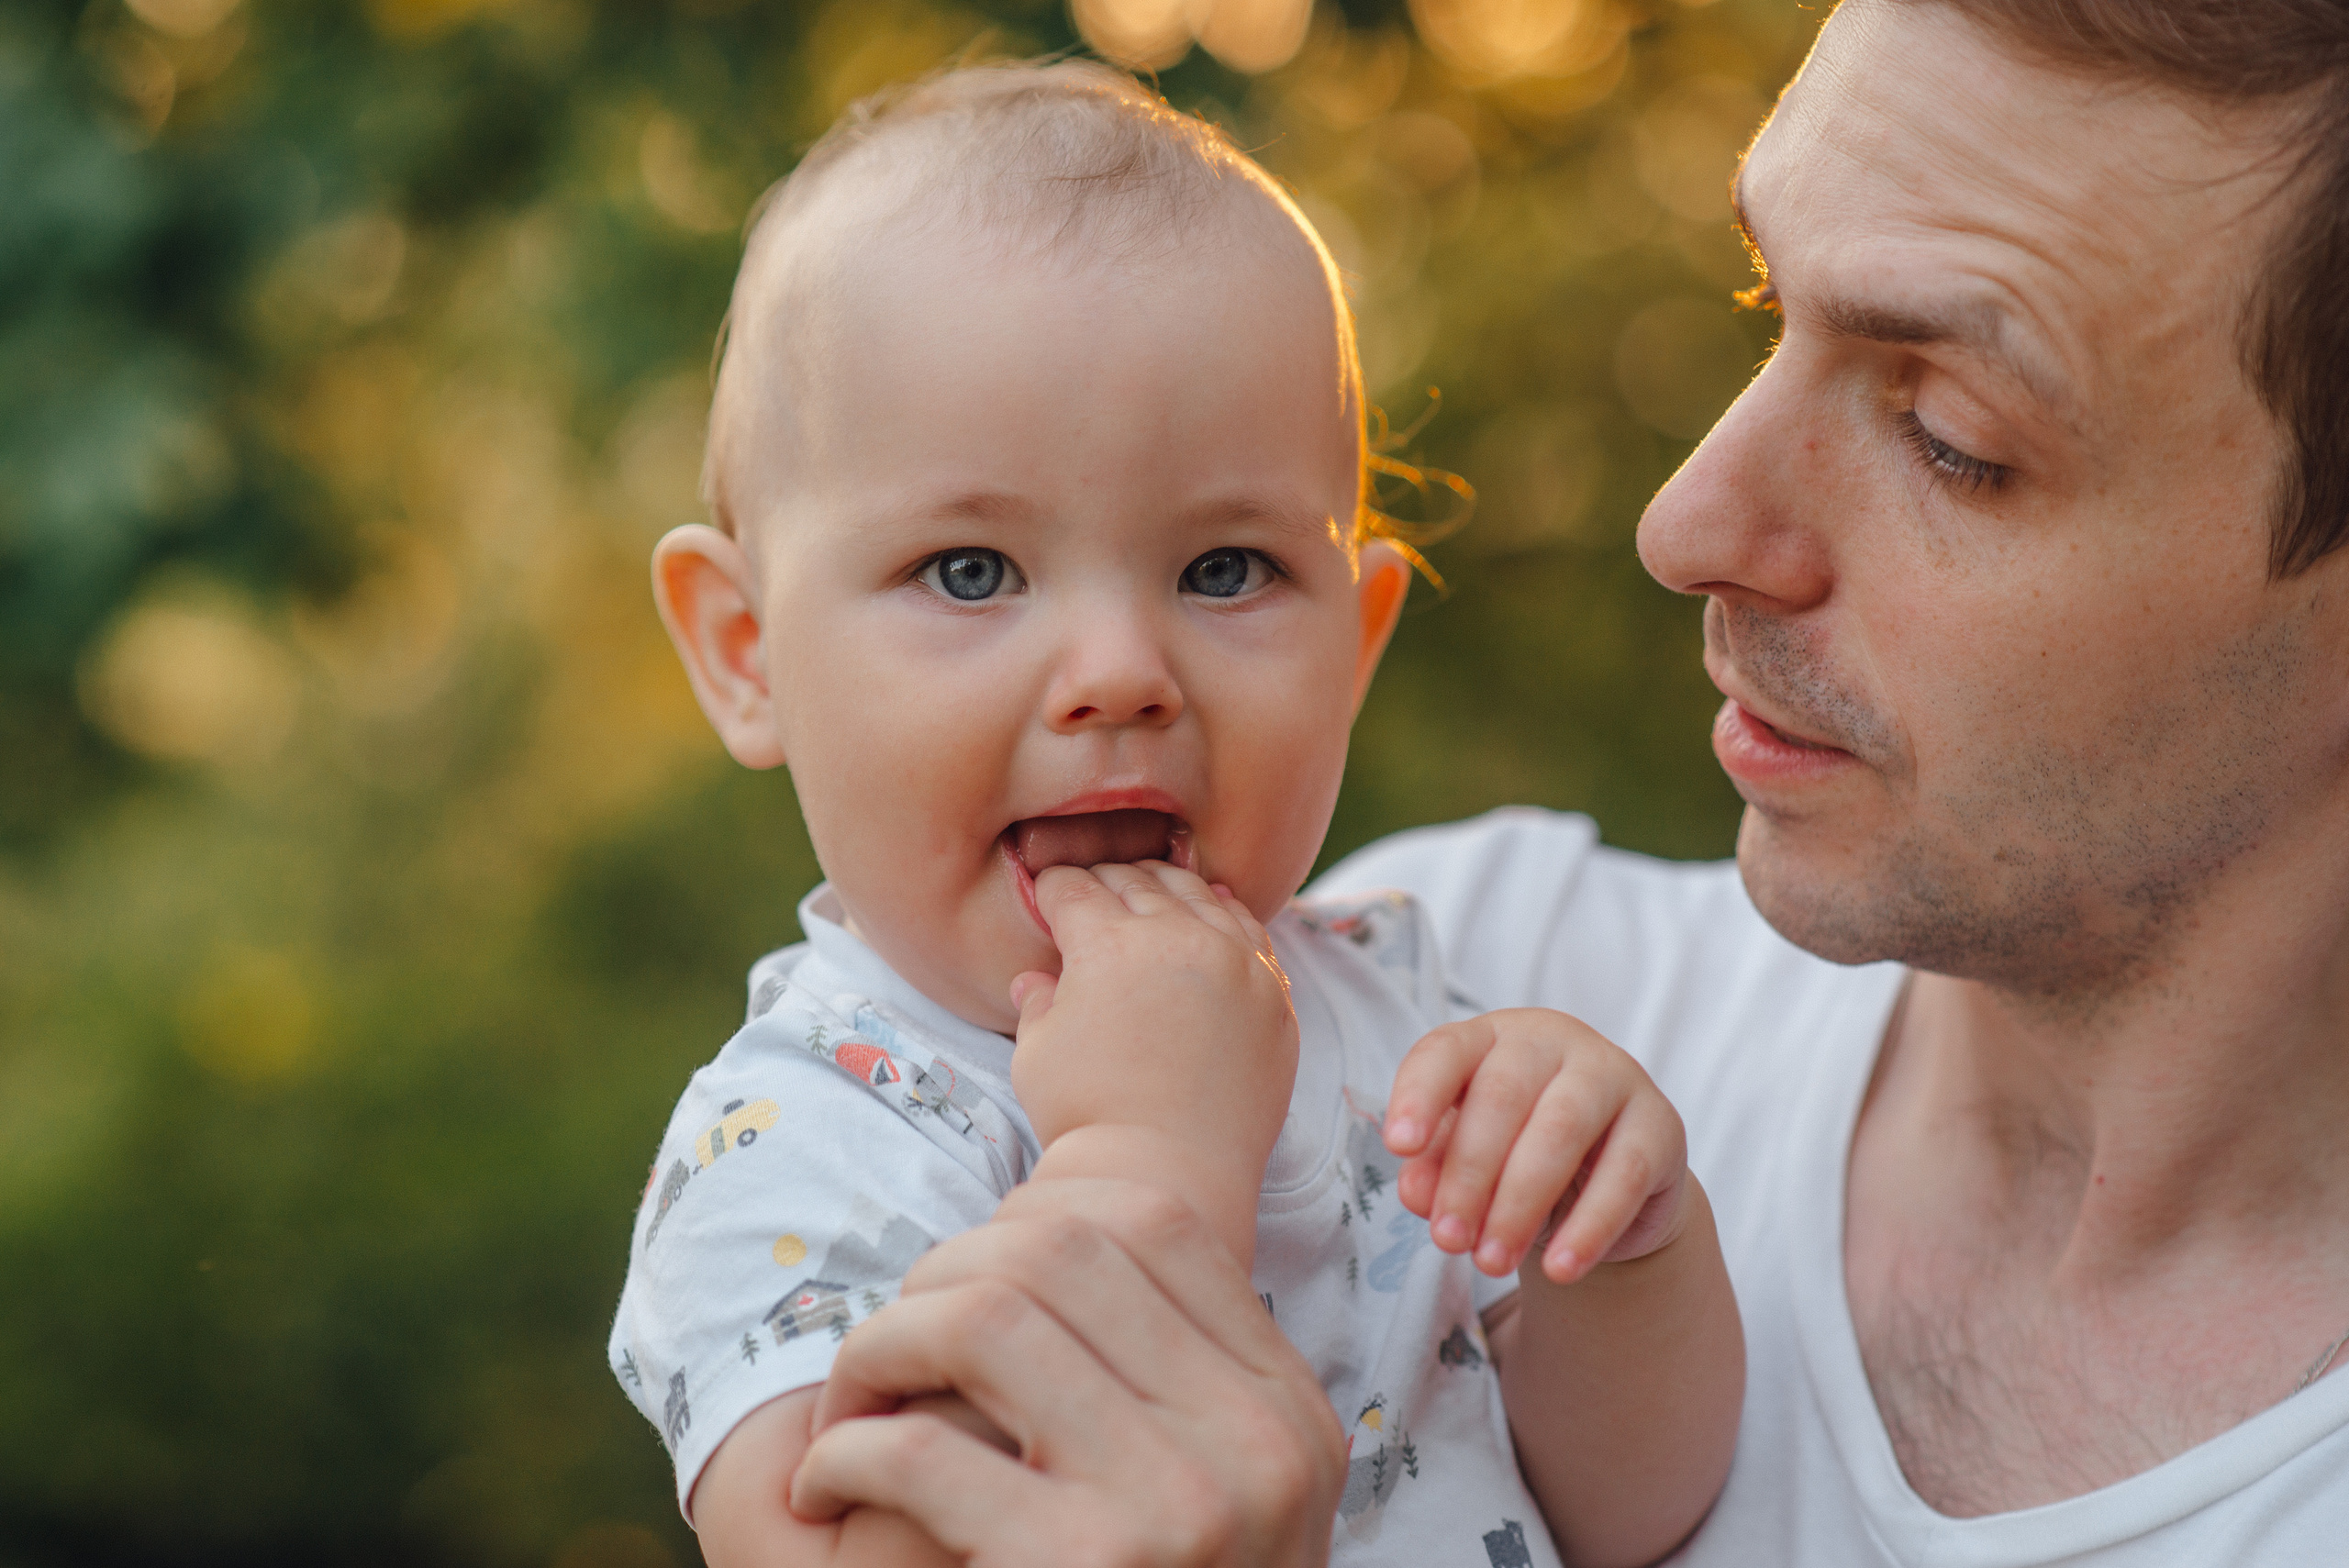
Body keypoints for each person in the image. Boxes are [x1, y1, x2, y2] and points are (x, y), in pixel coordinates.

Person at [764, 1, 2349, 1563]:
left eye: (1949, 437)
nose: (1687, 524)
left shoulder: (1494, 1081)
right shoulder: (1467, 963)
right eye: (1761, 308)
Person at [609, 61, 1745, 1568]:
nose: (1121, 673)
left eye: (1224, 571)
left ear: (1356, 647)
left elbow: (1623, 1509)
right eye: (971, 571)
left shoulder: (1397, 1015)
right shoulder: (801, 1142)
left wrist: (1622, 1251)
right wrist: (1146, 1157)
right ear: (747, 654)